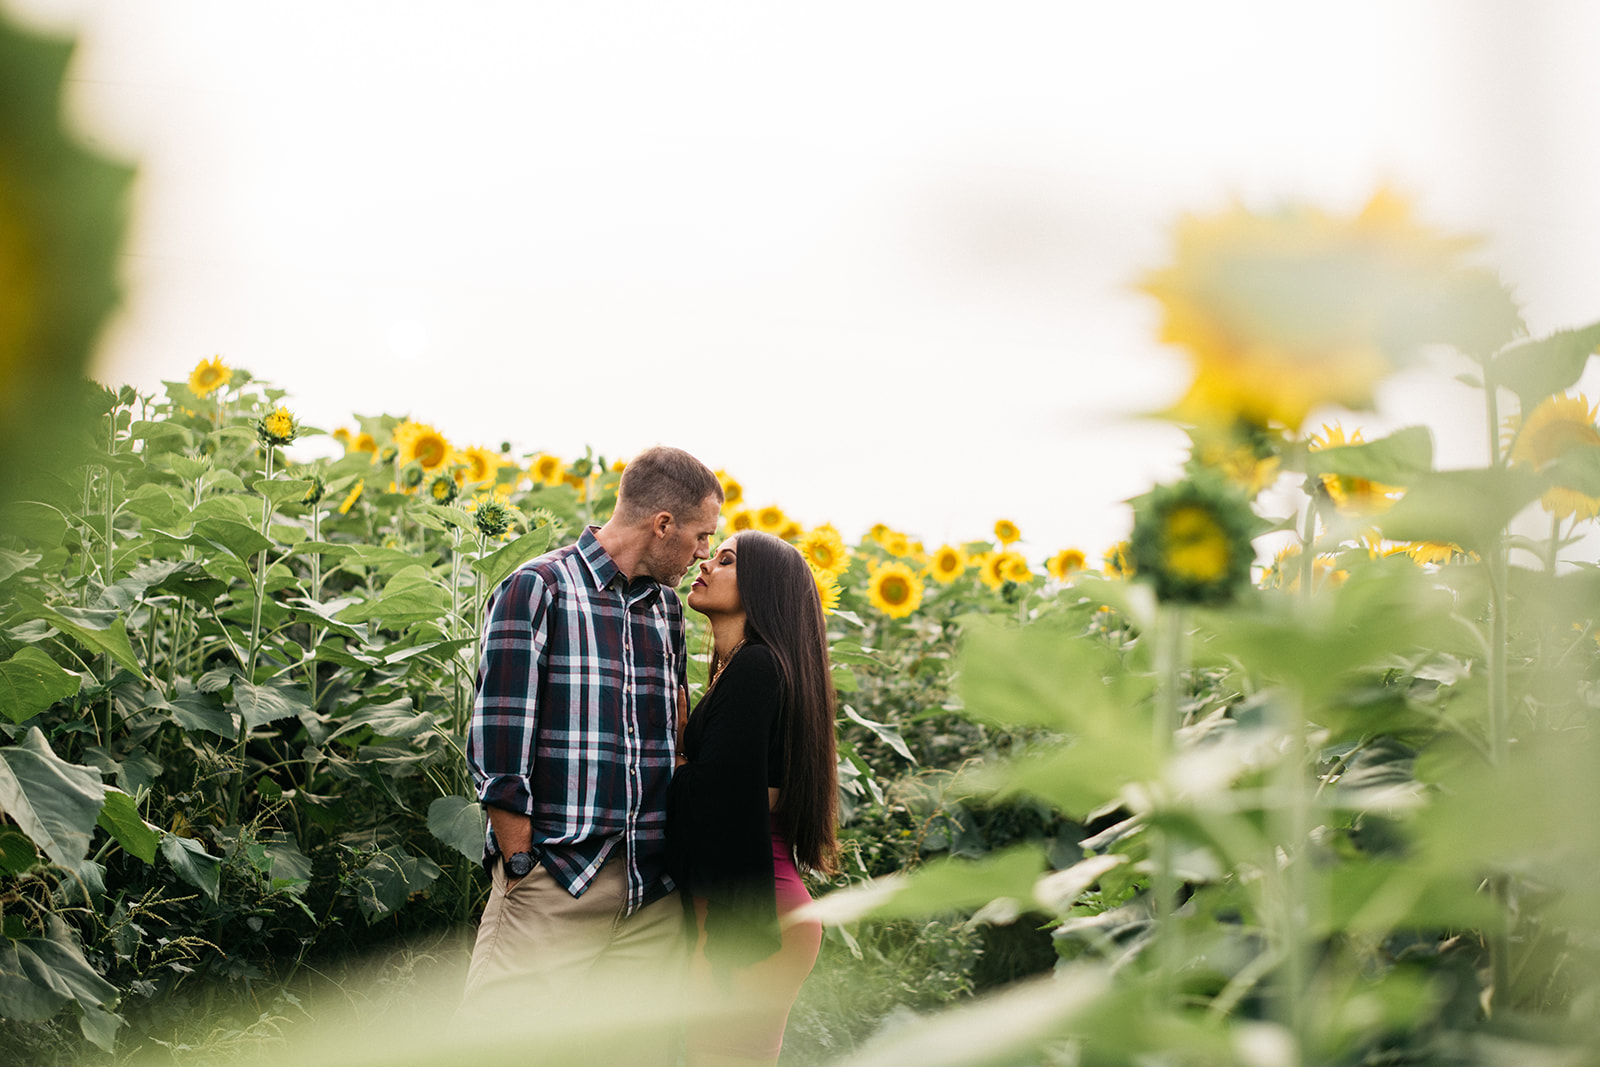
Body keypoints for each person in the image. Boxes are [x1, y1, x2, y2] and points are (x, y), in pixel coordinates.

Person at [460, 445, 722, 1054]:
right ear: (663, 525)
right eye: (701, 536)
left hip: (651, 889)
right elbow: (499, 740)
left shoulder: (668, 611)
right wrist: (522, 864)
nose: (704, 553)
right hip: (559, 879)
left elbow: (672, 731)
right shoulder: (538, 588)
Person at [667, 530, 840, 1066]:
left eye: (725, 560)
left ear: (762, 589)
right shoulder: (749, 669)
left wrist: (672, 750)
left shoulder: (757, 668)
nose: (704, 564)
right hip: (756, 900)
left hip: (749, 909)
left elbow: (720, 800)